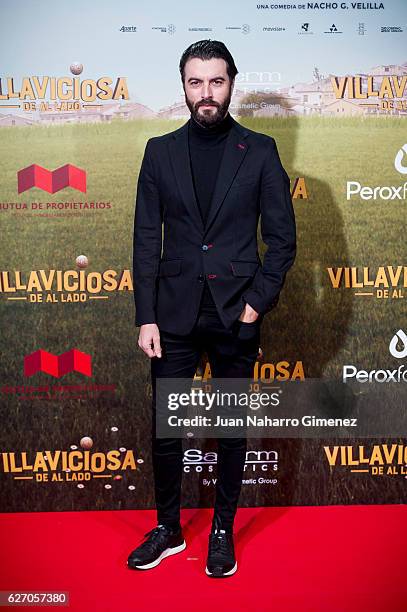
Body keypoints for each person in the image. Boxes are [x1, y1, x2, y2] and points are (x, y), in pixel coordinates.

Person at [128, 39, 296, 577]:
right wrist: (146, 316)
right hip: (172, 315)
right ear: (183, 86)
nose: (206, 92)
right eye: (196, 82)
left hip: (234, 315)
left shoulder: (261, 150)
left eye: (216, 81)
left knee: (229, 429)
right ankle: (169, 529)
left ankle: (222, 529)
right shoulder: (159, 151)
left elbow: (282, 242)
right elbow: (144, 241)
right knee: (167, 430)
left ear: (231, 84)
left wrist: (254, 308)